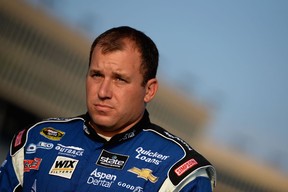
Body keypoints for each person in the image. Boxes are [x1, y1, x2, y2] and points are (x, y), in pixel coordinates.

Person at [0, 26, 216, 191]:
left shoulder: (180, 171)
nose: (103, 91)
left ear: (149, 90)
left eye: (120, 79)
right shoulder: (35, 140)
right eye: (96, 75)